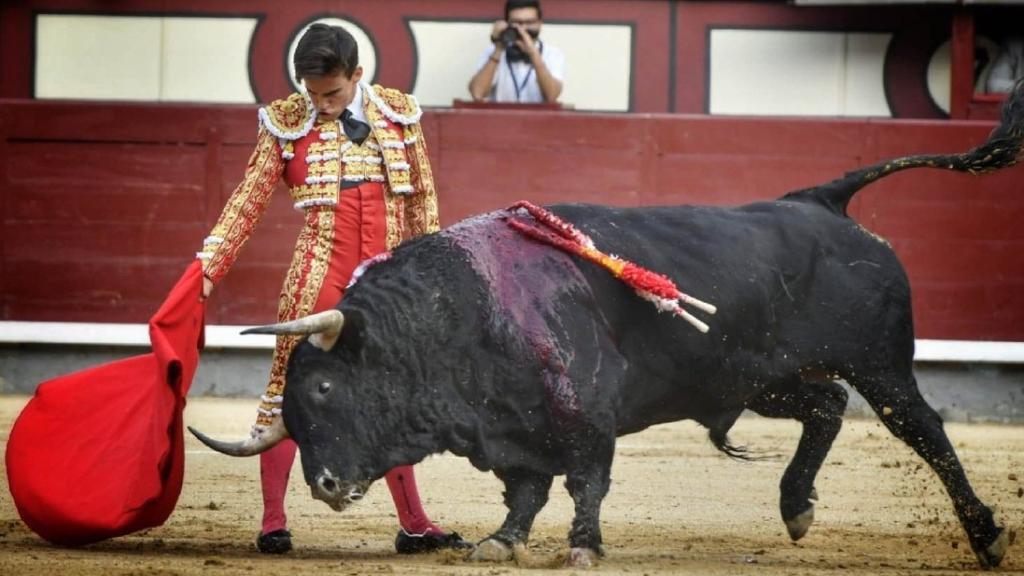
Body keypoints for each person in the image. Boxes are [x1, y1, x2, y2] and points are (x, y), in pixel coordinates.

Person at [196, 23, 471, 555]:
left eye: (333, 94)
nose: (321, 105)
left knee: (392, 397)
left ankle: (415, 524)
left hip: (386, 286)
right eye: (312, 93)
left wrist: (434, 279)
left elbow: (423, 209)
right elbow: (247, 201)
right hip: (317, 275)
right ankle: (273, 521)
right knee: (287, 391)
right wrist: (211, 264)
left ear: (358, 76)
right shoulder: (286, 123)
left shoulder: (400, 115)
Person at [468, 0, 565, 103]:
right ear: (507, 24)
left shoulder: (552, 54)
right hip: (500, 118)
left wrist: (534, 54)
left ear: (540, 24)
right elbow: (477, 93)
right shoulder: (492, 52)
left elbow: (552, 95)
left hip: (539, 119)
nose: (523, 29)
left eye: (530, 22)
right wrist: (498, 48)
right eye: (517, 23)